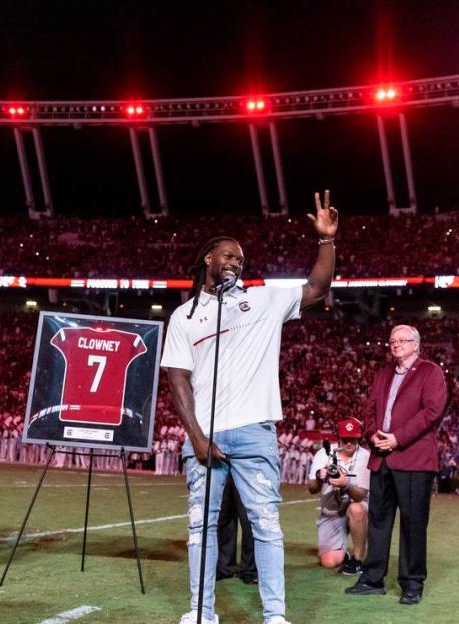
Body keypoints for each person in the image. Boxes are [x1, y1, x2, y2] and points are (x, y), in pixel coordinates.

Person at [162, 190, 338, 624]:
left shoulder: (262, 300)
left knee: (267, 526)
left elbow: (316, 288)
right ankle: (201, 612)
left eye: (240, 259)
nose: (235, 262)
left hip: (255, 432)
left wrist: (326, 241)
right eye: (227, 255)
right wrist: (197, 438)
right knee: (200, 528)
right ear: (207, 259)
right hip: (206, 436)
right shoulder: (184, 317)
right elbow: (177, 379)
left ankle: (275, 615)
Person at [346, 324, 446, 605]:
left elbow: (432, 411)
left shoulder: (430, 372)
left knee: (413, 523)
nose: (396, 344)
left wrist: (397, 439)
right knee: (378, 520)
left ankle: (412, 583)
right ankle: (372, 578)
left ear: (416, 344)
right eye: (391, 340)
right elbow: (369, 409)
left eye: (402, 340)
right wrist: (373, 434)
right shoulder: (383, 374)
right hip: (382, 457)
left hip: (413, 458)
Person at [307, 417, 370, 575]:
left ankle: (358, 559)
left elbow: (360, 495)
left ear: (359, 438)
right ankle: (343, 553)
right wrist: (320, 477)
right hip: (332, 512)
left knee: (357, 509)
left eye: (353, 439)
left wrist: (345, 484)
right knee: (329, 562)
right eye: (346, 439)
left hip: (357, 507)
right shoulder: (324, 454)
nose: (349, 443)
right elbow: (312, 488)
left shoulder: (365, 456)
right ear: (339, 438)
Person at [216, 474, 258, 584]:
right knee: (223, 517)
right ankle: (224, 567)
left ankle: (249, 569)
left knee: (248, 519)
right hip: (223, 465)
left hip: (246, 467)